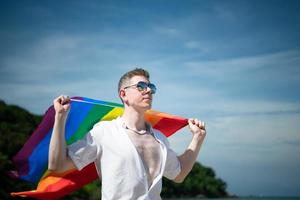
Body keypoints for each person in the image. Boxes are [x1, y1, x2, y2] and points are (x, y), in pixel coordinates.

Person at [48, 68, 206, 200]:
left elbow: (178, 174)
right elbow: (58, 166)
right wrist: (60, 117)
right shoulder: (104, 132)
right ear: (123, 94)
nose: (149, 90)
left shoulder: (160, 139)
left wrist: (197, 138)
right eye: (141, 86)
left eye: (151, 87)